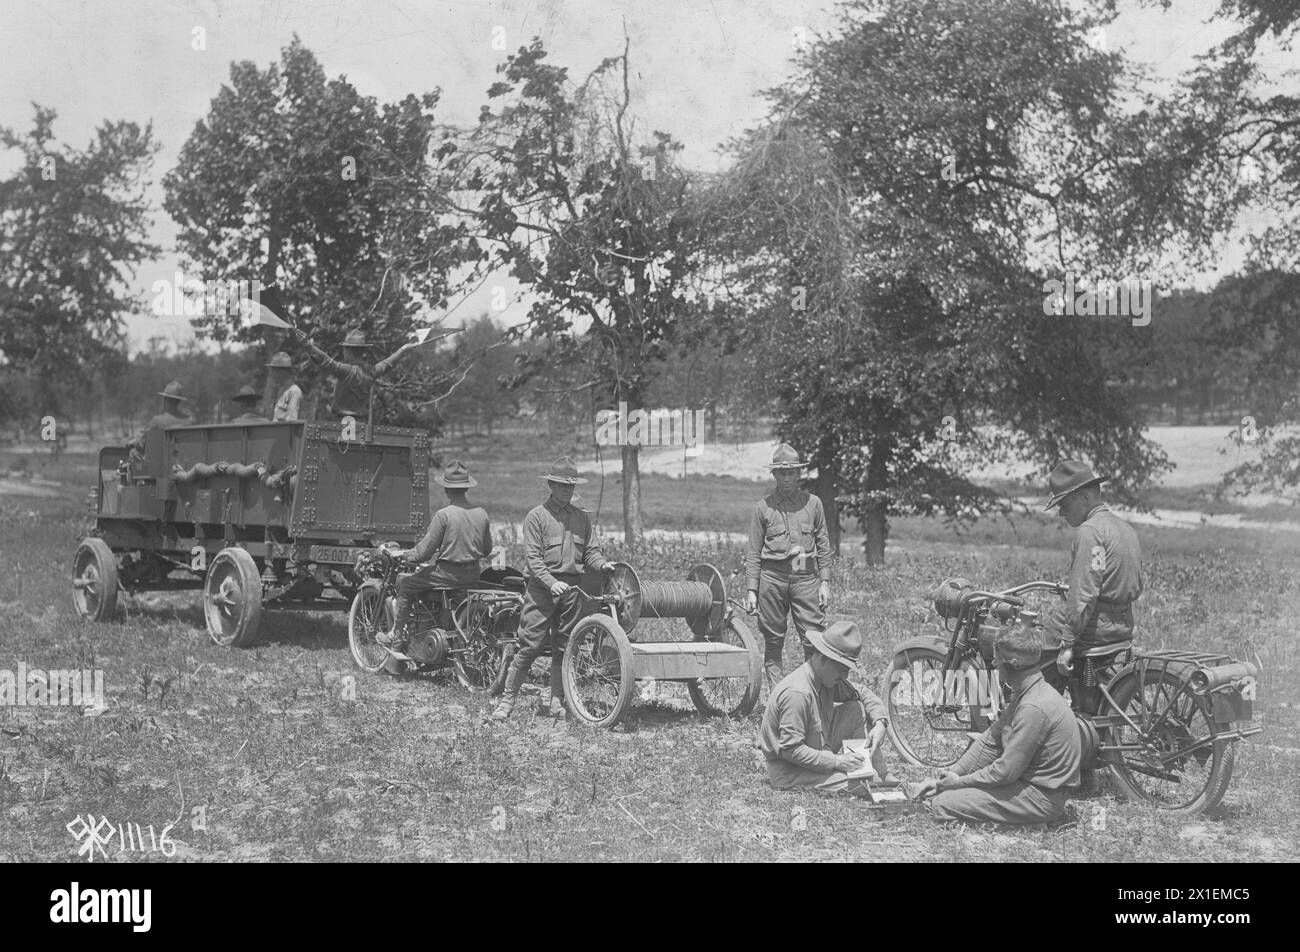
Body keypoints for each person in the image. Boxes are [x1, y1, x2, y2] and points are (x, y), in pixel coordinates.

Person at [917, 623, 1081, 825]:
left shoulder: (1033, 708)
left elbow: (1004, 772)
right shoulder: (1027, 690)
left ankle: (1027, 825)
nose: (993, 663)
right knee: (945, 796)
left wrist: (957, 784)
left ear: (1013, 664)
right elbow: (991, 740)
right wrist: (951, 775)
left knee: (942, 804)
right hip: (1026, 785)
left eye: (997, 658)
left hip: (1041, 798)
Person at [492, 457, 616, 721]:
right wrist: (552, 583)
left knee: (564, 646)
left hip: (572, 591)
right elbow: (534, 560)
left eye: (570, 487)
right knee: (530, 645)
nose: (567, 491)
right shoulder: (536, 517)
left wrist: (602, 564)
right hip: (541, 590)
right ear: (550, 484)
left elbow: (590, 552)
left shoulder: (581, 518)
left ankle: (557, 701)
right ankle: (507, 701)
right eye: (561, 486)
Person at [1041, 461, 1143, 702]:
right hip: (1122, 625)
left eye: (1064, 504)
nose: (1061, 512)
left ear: (1084, 497)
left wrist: (1067, 644)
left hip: (1095, 630)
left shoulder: (1090, 531)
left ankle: (1039, 715)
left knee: (1029, 651)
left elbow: (1084, 594)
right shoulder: (1124, 528)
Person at [759, 620, 890, 791]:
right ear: (822, 659)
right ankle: (869, 776)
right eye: (842, 669)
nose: (845, 676)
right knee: (863, 784)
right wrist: (837, 761)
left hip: (820, 747)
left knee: (855, 708)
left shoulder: (826, 678)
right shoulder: (798, 694)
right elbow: (790, 750)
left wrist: (880, 722)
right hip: (791, 770)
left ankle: (883, 774)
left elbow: (863, 693)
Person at [377, 460, 493, 651]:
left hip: (447, 575)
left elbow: (423, 554)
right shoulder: (481, 514)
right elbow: (487, 550)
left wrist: (405, 555)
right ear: (466, 488)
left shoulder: (444, 515)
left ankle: (395, 636)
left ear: (446, 489)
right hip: (473, 575)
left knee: (406, 583)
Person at [744, 443, 833, 690]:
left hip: (805, 576)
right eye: (781, 472)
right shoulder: (763, 508)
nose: (786, 477)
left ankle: (812, 696)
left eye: (791, 472)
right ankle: (779, 697)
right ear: (774, 474)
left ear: (799, 474)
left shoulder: (813, 504)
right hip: (772, 578)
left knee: (813, 640)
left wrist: (825, 582)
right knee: (773, 641)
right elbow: (753, 552)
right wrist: (752, 589)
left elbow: (824, 545)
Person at [293, 327, 426, 420]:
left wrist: (308, 345)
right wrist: (403, 349)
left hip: (339, 422)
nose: (343, 352)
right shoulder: (371, 372)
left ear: (348, 351)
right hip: (361, 424)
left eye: (344, 349)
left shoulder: (345, 371)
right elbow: (388, 363)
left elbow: (325, 360)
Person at [128, 381, 190, 455]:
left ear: (165, 400)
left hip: (162, 461)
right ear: (179, 401)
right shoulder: (189, 420)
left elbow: (142, 444)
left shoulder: (157, 421)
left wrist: (134, 442)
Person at [266, 352, 303, 421]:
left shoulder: (294, 391)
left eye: (275, 370)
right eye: (273, 370)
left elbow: (292, 421)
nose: (273, 374)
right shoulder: (280, 392)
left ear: (284, 372)